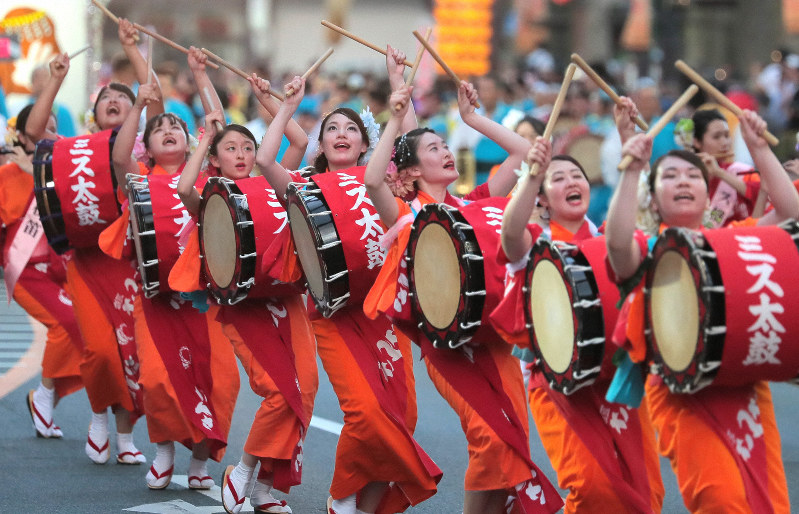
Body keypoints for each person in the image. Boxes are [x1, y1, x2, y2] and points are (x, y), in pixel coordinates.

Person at [257, 48, 442, 514]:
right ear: (322, 144)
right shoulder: (304, 187)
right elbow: (264, 160)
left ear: (366, 144)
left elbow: (412, 139)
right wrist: (286, 106)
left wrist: (397, 79)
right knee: (364, 412)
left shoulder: (385, 181)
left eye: (352, 129)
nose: (341, 134)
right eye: (332, 129)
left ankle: (360, 502)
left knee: (402, 416)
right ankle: (343, 497)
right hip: (334, 314)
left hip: (387, 313)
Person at [363, 83, 562, 514]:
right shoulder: (404, 215)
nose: (446, 152)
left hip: (495, 342)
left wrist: (474, 119)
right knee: (489, 437)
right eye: (434, 149)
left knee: (510, 442)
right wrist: (396, 117)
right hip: (448, 351)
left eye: (446, 145)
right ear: (413, 171)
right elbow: (373, 179)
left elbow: (524, 155)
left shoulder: (476, 203)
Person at [604, 103, 797, 512]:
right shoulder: (646, 248)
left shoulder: (732, 244)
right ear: (654, 201)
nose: (683, 180)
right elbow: (617, 244)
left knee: (767, 505)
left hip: (742, 387)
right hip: (679, 394)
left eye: (693, 174)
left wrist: (760, 150)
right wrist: (631, 170)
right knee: (720, 500)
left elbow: (790, 213)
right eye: (670, 176)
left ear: (706, 190)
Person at [491, 130, 664, 513]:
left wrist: (628, 144)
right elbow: (509, 233)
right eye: (559, 178)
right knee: (591, 488)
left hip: (617, 379)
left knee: (644, 495)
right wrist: (533, 174)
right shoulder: (537, 245)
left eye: (577, 176)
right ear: (543, 199)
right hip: (558, 385)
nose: (571, 182)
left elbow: (647, 222)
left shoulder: (609, 240)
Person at [173, 60, 315, 513]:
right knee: (279, 391)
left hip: (287, 298)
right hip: (243, 306)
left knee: (305, 389)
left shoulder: (271, 182)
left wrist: (273, 101)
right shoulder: (214, 194)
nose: (241, 153)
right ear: (216, 158)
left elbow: (297, 140)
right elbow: (181, 190)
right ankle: (246, 466)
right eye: (230, 148)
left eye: (247, 146)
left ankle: (264, 488)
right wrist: (203, 142)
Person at [106, 55, 240, 489]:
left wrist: (201, 75)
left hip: (206, 302)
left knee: (221, 383)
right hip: (158, 301)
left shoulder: (205, 177)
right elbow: (119, 153)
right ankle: (163, 451)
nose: (168, 130)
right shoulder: (138, 180)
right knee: (159, 381)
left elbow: (217, 122)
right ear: (148, 144)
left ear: (192, 140)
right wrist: (141, 105)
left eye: (176, 127)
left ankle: (200, 463)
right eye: (158, 128)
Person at [20, 46, 148, 466]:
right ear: (94, 114)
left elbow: (154, 94)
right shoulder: (76, 150)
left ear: (137, 112)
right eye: (105, 99)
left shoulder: (143, 158)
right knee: (100, 351)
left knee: (133, 353)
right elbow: (34, 132)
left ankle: (126, 435)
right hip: (87, 265)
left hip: (130, 266)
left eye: (123, 98)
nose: (113, 100)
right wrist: (55, 78)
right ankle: (98, 417)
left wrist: (131, 50)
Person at [1, 103, 84, 439]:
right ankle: (47, 395)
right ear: (21, 136)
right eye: (41, 129)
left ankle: (46, 395)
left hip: (63, 266)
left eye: (54, 127)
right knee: (66, 323)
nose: (51, 135)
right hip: (26, 269)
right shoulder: (5, 176)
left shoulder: (64, 173)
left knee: (93, 331)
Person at [690, 108, 762, 228]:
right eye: (717, 137)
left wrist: (720, 173)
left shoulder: (742, 171)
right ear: (697, 142)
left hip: (746, 239)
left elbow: (763, 195)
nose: (725, 142)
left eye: (727, 135)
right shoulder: (687, 177)